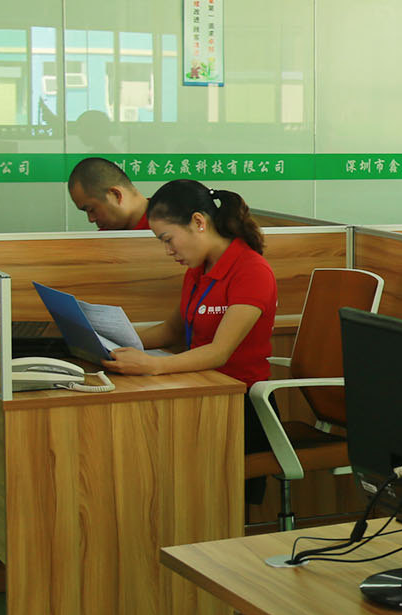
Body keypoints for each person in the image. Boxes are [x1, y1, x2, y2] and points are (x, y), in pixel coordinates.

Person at [102, 179, 279, 470]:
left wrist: (152, 365)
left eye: (168, 239)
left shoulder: (252, 270)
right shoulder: (199, 270)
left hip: (241, 404)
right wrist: (113, 341)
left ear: (198, 222)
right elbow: (171, 331)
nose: (168, 251)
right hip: (199, 390)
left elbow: (219, 352)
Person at [67, 157, 151, 230]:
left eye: (91, 210)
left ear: (116, 195)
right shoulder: (103, 238)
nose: (91, 219)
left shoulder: (157, 229)